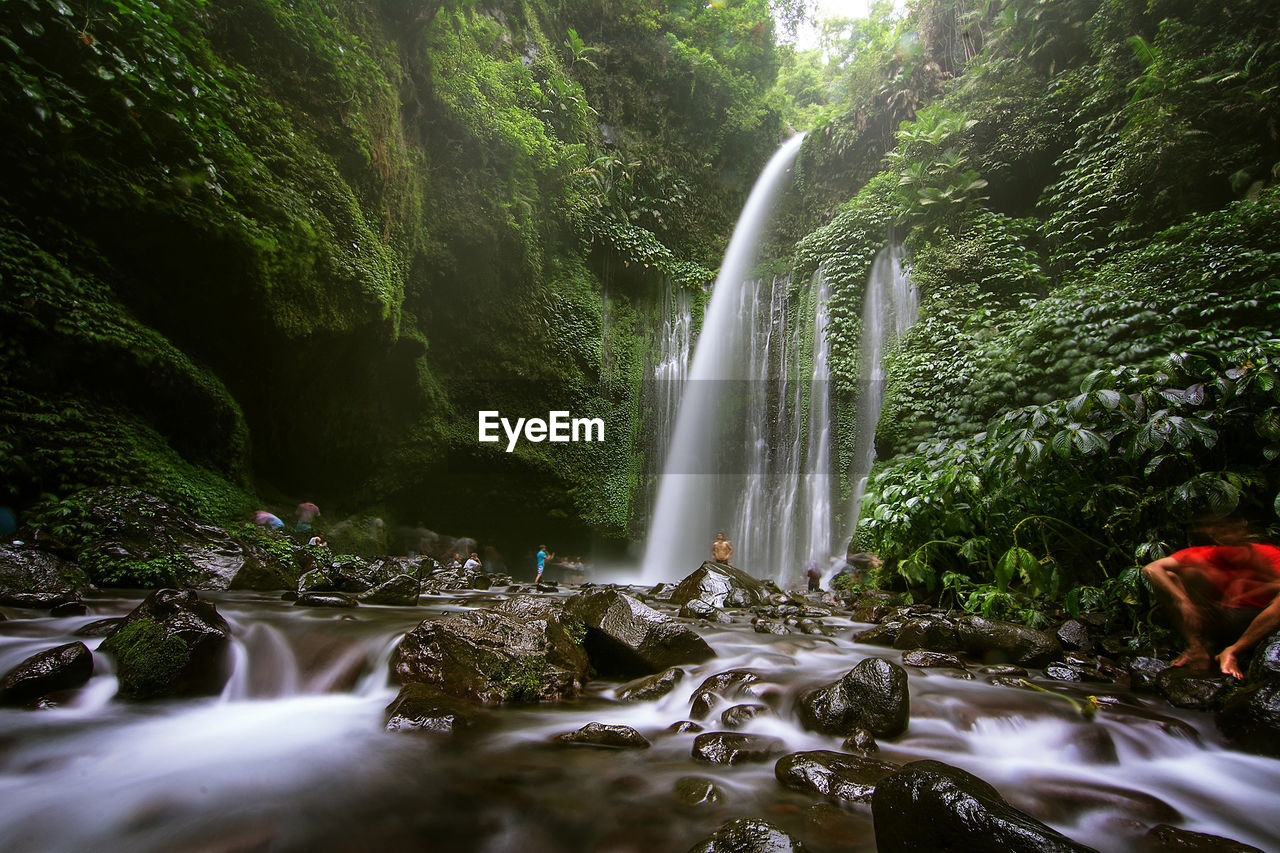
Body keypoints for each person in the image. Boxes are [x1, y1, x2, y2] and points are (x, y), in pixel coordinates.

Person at [1142, 516, 1280, 679]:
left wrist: (1251, 588)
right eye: (1221, 530)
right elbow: (1151, 569)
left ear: (1243, 530)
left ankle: (1232, 652)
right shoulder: (1207, 554)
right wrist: (1183, 601)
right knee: (1175, 576)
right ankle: (1196, 648)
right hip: (1217, 618)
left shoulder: (1266, 553)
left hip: (1253, 618)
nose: (1228, 534)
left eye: (1232, 528)